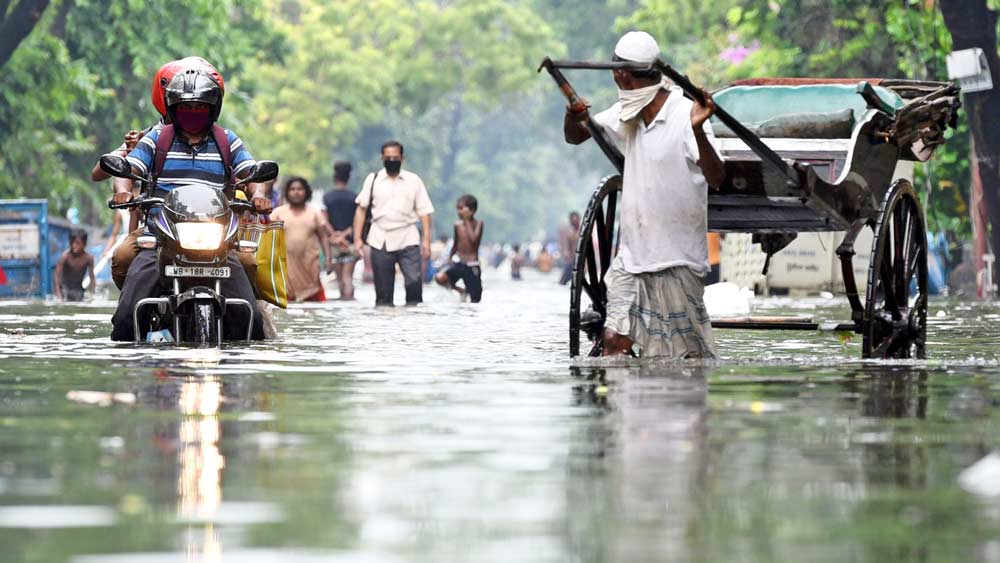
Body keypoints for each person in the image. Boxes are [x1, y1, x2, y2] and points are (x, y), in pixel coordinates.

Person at [563, 31, 725, 358]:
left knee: (685, 359)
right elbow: (576, 136)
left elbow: (718, 177)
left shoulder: (685, 113)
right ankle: (624, 404)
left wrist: (698, 129)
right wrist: (573, 116)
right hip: (632, 258)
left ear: (623, 76)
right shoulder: (627, 113)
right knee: (612, 340)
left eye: (622, 81)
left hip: (677, 257)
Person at [112, 66, 271, 341]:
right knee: (126, 314)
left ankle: (240, 374)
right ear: (174, 109)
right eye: (188, 107)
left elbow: (249, 172)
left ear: (213, 108)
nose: (194, 112)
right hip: (160, 238)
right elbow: (129, 169)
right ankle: (133, 373)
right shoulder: (156, 139)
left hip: (218, 241)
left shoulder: (227, 141)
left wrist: (257, 194)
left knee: (253, 320)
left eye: (201, 107)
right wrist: (123, 191)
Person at [352, 140, 434, 306]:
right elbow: (361, 209)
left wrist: (426, 240)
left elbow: (424, 212)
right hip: (380, 237)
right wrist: (357, 239)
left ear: (402, 158)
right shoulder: (373, 179)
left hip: (408, 236)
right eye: (388, 157)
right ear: (382, 157)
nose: (391, 161)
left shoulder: (414, 180)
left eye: (395, 157)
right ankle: (385, 326)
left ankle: (413, 323)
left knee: (414, 284)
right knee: (383, 293)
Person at [271, 177, 335, 302]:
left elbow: (323, 237)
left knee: (313, 306)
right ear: (287, 192)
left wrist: (328, 259)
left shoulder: (314, 214)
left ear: (306, 192)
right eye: (292, 189)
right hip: (285, 267)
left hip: (310, 267)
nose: (296, 192)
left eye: (300, 189)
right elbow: (268, 237)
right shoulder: (278, 213)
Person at [434, 194, 484, 302]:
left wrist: (466, 221)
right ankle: (461, 291)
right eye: (458, 209)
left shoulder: (479, 224)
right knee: (439, 277)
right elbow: (456, 243)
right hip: (460, 264)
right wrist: (450, 257)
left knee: (475, 300)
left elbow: (474, 240)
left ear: (471, 210)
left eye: (462, 209)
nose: (459, 212)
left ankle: (469, 295)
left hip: (472, 266)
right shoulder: (457, 226)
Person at [322, 161, 358, 299]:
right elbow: (357, 221)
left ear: (334, 176)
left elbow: (324, 221)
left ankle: (343, 300)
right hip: (350, 243)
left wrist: (335, 235)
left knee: (340, 280)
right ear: (349, 177)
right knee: (348, 277)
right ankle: (349, 301)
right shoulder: (354, 197)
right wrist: (344, 235)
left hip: (333, 244)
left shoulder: (327, 197)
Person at [54, 230, 95, 302]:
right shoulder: (65, 257)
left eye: (77, 243)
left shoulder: (88, 258)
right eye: (71, 242)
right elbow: (56, 277)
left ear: (84, 244)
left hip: (79, 290)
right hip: (65, 291)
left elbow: (92, 277)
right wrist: (59, 296)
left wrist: (92, 295)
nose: (73, 245)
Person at [559, 212, 581, 284]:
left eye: (575, 220)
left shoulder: (582, 230)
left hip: (581, 260)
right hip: (572, 259)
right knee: (563, 281)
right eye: (572, 221)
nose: (574, 222)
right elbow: (566, 247)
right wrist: (566, 253)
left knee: (578, 281)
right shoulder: (570, 232)